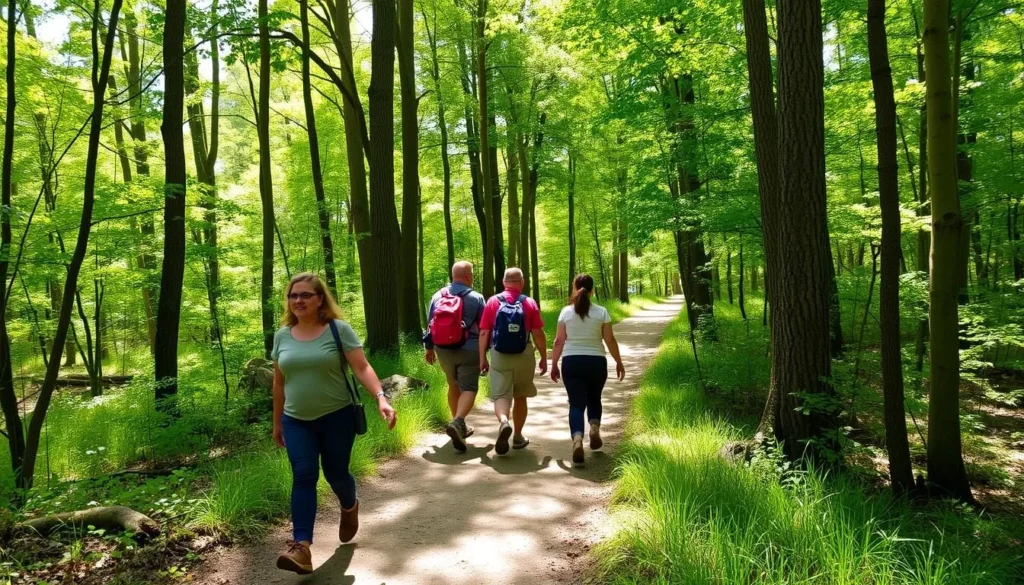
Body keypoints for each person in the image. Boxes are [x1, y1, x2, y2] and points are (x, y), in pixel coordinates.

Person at [271, 273, 397, 574]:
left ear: (319, 299)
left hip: (336, 417)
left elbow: (362, 367)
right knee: (304, 475)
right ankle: (301, 546)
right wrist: (277, 422)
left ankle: (350, 505)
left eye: (305, 295)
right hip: (296, 420)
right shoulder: (282, 335)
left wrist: (380, 397)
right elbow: (278, 383)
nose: (298, 300)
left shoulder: (337, 330)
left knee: (337, 473)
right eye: (293, 296)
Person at [550, 273, 625, 467]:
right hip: (596, 362)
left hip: (572, 362)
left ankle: (577, 440)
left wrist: (554, 364)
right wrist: (618, 361)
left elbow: (559, 341)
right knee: (594, 398)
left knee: (576, 404)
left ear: (575, 288)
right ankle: (593, 428)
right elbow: (609, 339)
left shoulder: (566, 312)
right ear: (592, 290)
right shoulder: (601, 312)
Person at [479, 267, 547, 455]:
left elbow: (484, 332)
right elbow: (538, 333)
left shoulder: (493, 302)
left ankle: (503, 422)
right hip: (524, 353)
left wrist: (482, 357)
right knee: (520, 395)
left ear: (503, 282)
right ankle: (517, 436)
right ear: (522, 282)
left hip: (499, 354)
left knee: (501, 395)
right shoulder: (529, 303)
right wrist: (544, 356)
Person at [424, 261, 486, 452]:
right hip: (469, 348)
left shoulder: (438, 295)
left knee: (453, 384)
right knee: (469, 388)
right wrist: (485, 354)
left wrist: (429, 348)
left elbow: (430, 324)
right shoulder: (476, 297)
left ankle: (459, 425)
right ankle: (458, 422)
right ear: (468, 276)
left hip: (443, 349)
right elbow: (484, 328)